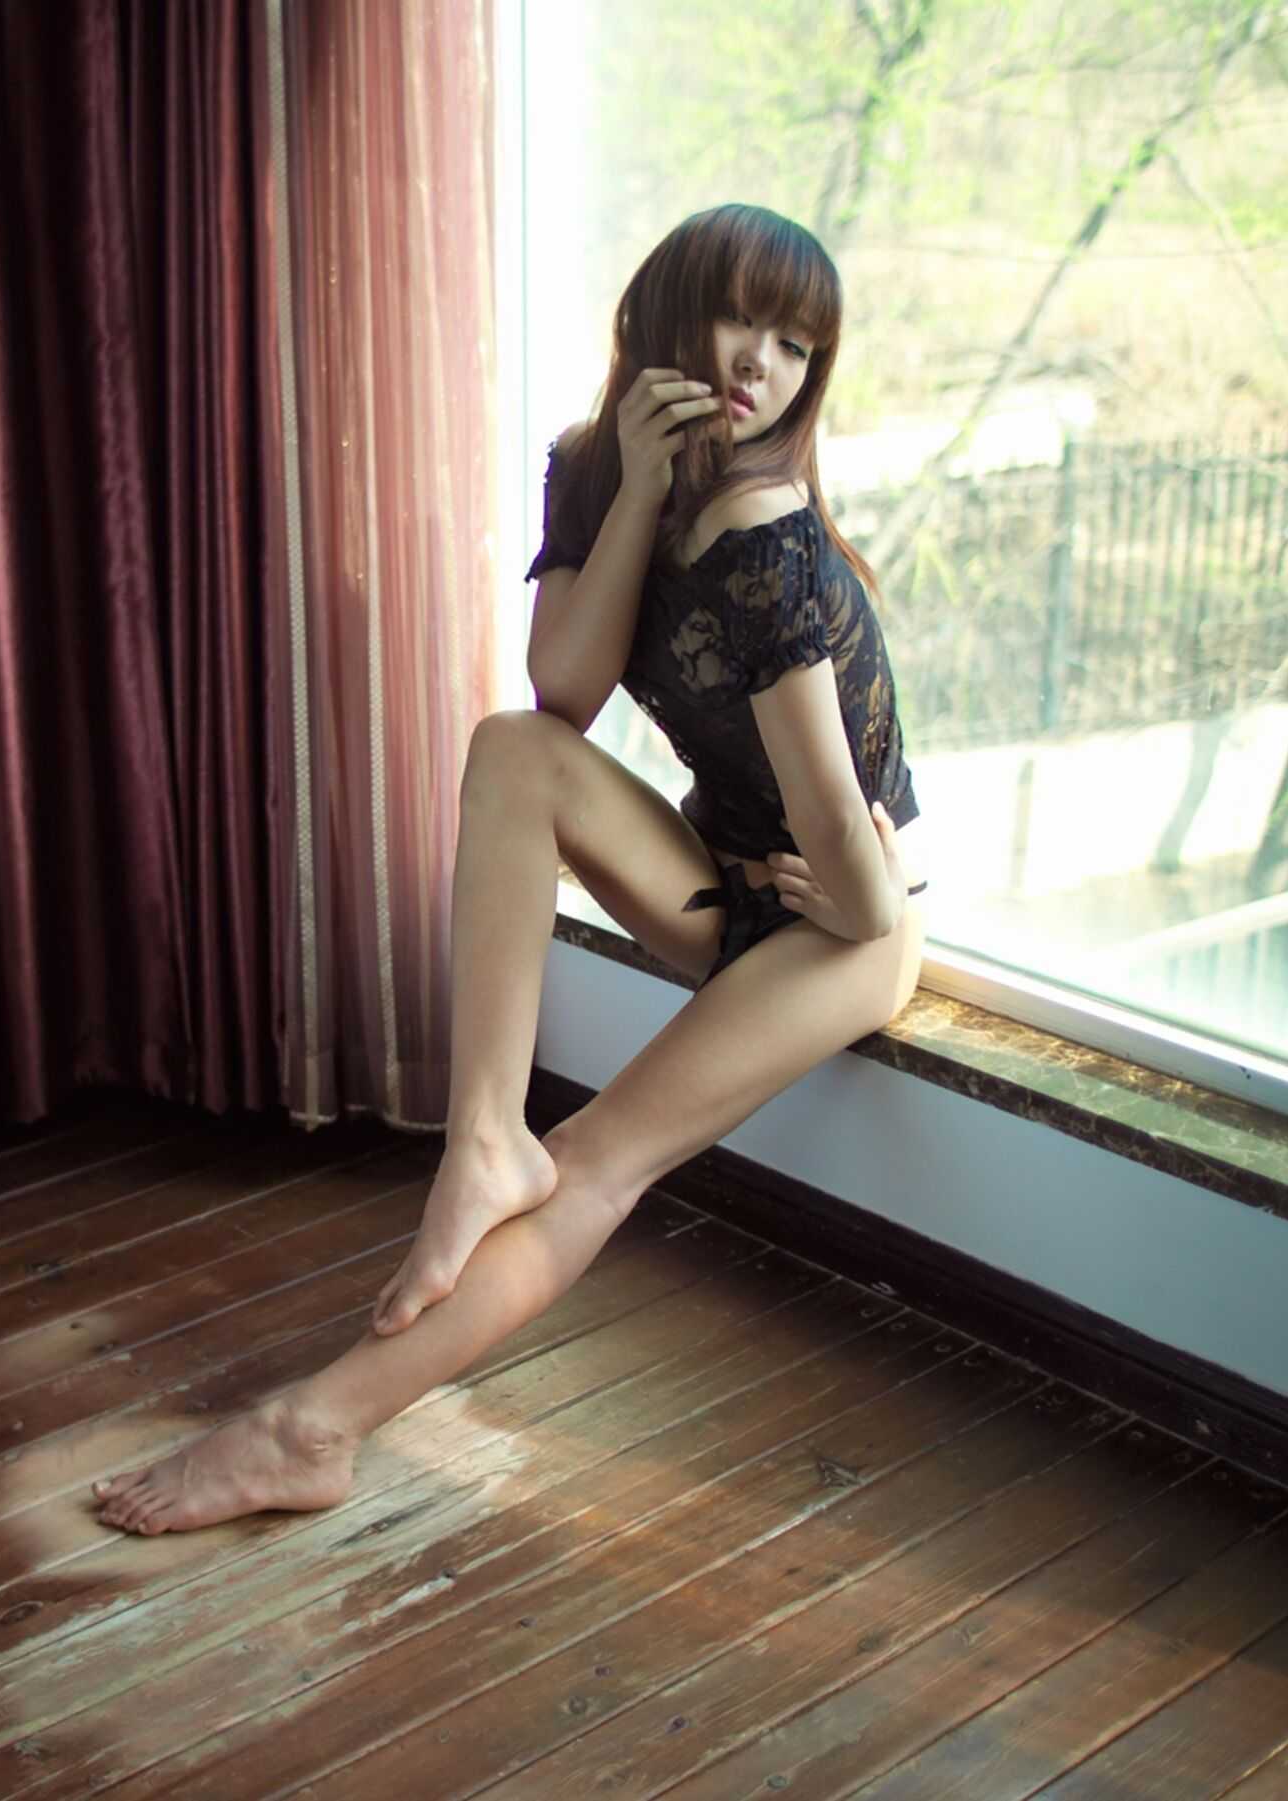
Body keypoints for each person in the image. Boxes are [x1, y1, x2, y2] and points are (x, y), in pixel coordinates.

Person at [93, 203, 929, 1535]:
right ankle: (482, 1135)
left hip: (845, 925)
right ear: (667, 312)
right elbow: (564, 694)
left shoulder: (768, 529)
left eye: (795, 345)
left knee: (592, 1158)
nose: (760, 364)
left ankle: (312, 1429)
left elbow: (843, 822)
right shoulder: (593, 467)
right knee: (512, 748)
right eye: (741, 318)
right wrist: (639, 489)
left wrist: (870, 902)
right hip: (724, 876)